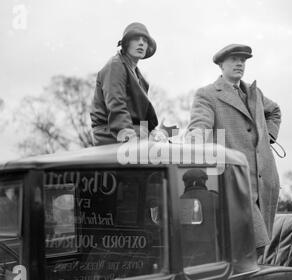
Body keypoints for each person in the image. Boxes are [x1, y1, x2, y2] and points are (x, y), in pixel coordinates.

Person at [187, 44, 281, 256]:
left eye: (243, 60)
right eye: (234, 59)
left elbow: (274, 111)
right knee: (252, 245)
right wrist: (193, 143)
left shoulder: (255, 93)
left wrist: (268, 137)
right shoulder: (208, 94)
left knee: (257, 247)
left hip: (265, 182)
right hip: (235, 183)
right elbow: (199, 124)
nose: (240, 64)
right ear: (221, 65)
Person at [90, 22, 166, 145]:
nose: (141, 43)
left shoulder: (140, 78)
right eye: (136, 39)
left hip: (135, 129)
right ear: (126, 43)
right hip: (109, 131)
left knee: (165, 139)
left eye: (145, 40)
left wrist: (154, 132)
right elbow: (116, 106)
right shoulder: (115, 65)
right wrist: (130, 138)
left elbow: (143, 117)